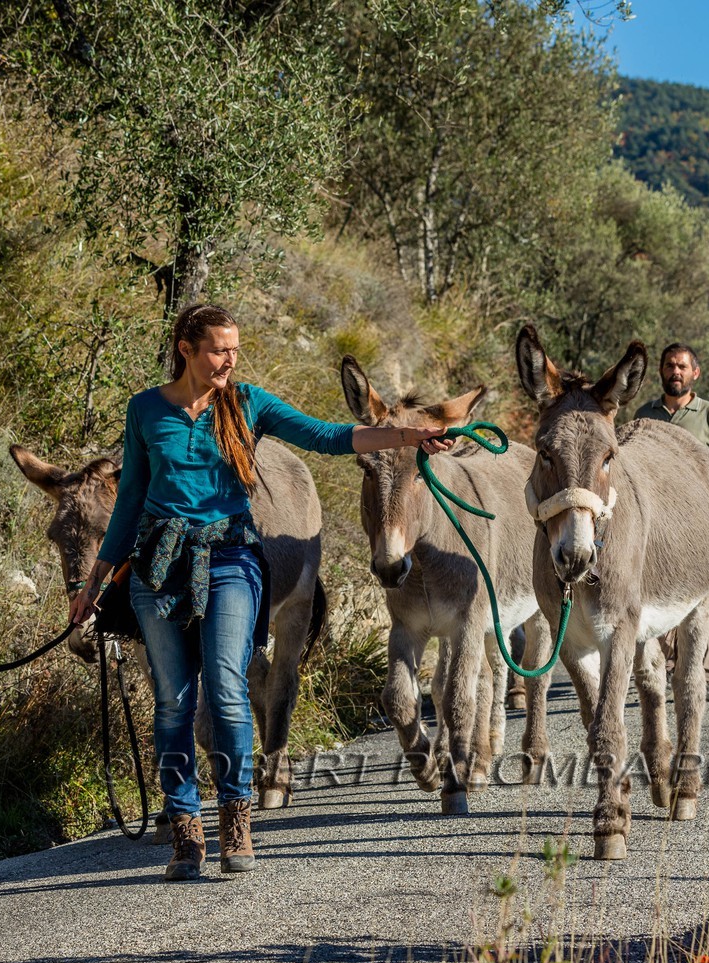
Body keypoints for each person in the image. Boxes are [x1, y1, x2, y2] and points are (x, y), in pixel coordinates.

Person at [68, 303, 451, 882]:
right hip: (158, 568)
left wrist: (410, 434)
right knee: (172, 702)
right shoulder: (145, 409)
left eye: (235, 350)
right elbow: (129, 503)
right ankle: (186, 831)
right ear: (186, 348)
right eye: (219, 349)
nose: (229, 360)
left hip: (231, 560)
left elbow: (328, 436)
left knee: (226, 687)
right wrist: (95, 582)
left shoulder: (249, 403)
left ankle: (236, 820)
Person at [632, 342, 709, 695]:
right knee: (659, 592)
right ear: (661, 371)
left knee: (702, 600)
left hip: (702, 522)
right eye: (669, 365)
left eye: (681, 366)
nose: (674, 371)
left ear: (695, 373)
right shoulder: (643, 414)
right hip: (658, 522)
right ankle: (665, 667)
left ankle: (700, 674)